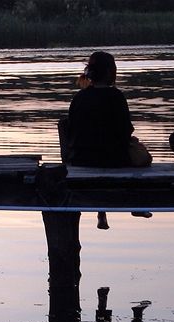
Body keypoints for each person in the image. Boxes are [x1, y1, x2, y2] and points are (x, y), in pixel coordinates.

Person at [59, 51, 151, 229]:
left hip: (81, 159)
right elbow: (125, 132)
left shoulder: (79, 97)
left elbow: (72, 131)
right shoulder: (116, 97)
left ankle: (101, 211)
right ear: (109, 72)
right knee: (143, 157)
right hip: (114, 160)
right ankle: (135, 204)